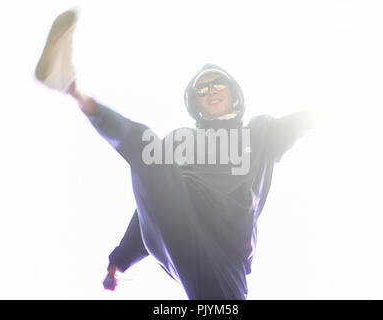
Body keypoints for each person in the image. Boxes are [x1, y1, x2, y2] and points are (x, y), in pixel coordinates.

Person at [35, 10, 317, 300]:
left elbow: (300, 122)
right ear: (197, 103)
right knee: (149, 149)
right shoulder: (181, 141)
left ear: (233, 93)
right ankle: (71, 89)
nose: (211, 91)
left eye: (218, 85)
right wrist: (119, 260)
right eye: (203, 90)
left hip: (226, 250)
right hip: (182, 223)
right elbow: (153, 191)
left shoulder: (260, 133)